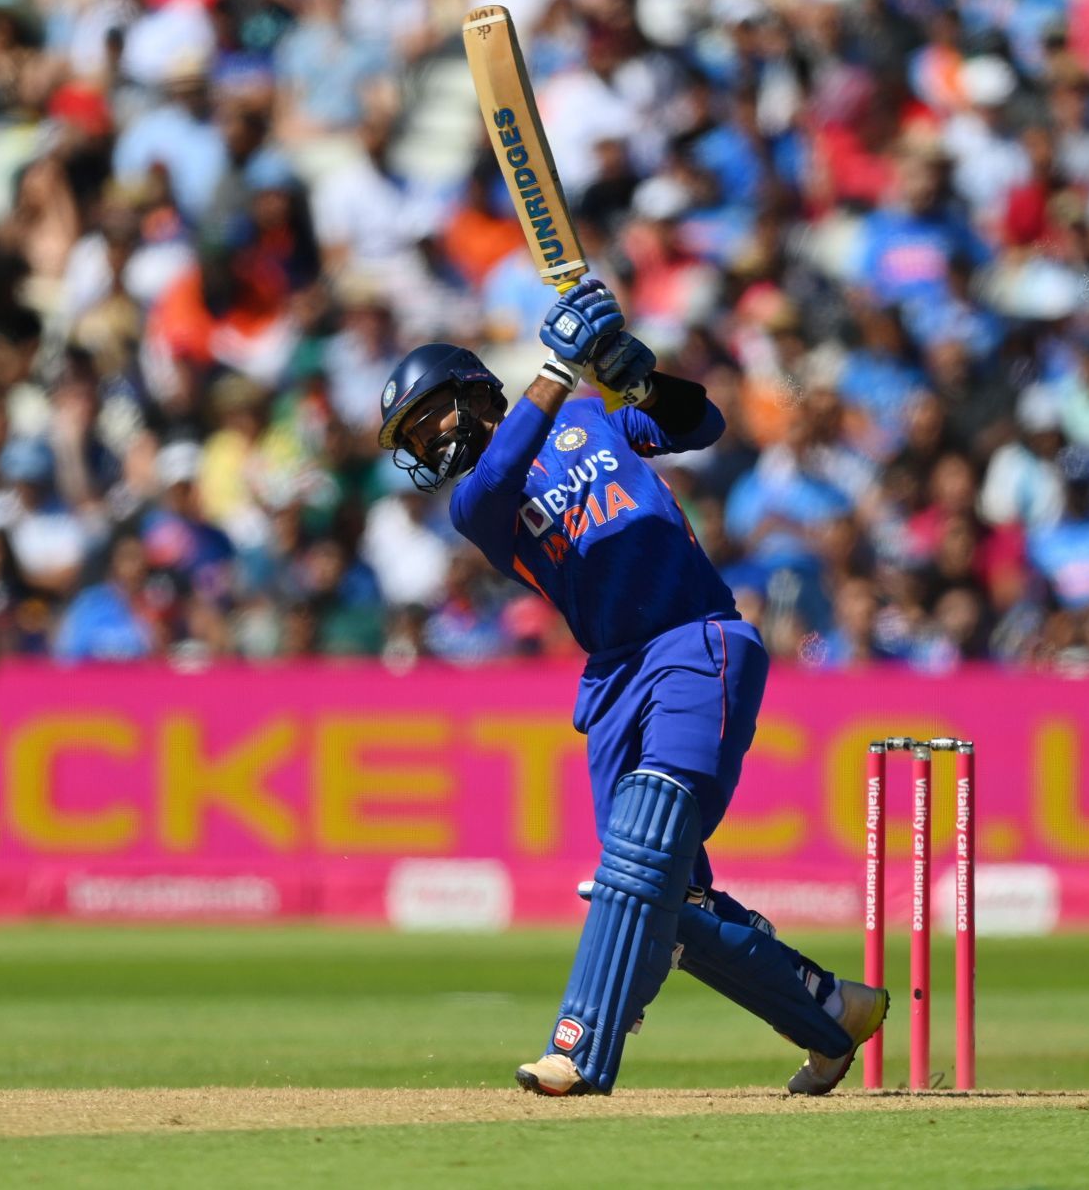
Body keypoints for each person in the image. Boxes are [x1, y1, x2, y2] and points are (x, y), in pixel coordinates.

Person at [376, 280, 884, 1098]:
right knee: (661, 894)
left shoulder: (587, 418)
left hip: (695, 639)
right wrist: (561, 363)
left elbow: (702, 423)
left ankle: (578, 1048)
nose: (426, 440)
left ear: (471, 388)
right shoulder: (479, 502)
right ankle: (829, 1008)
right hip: (614, 676)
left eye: (426, 416)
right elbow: (508, 459)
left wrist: (637, 378)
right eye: (410, 435)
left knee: (637, 865)